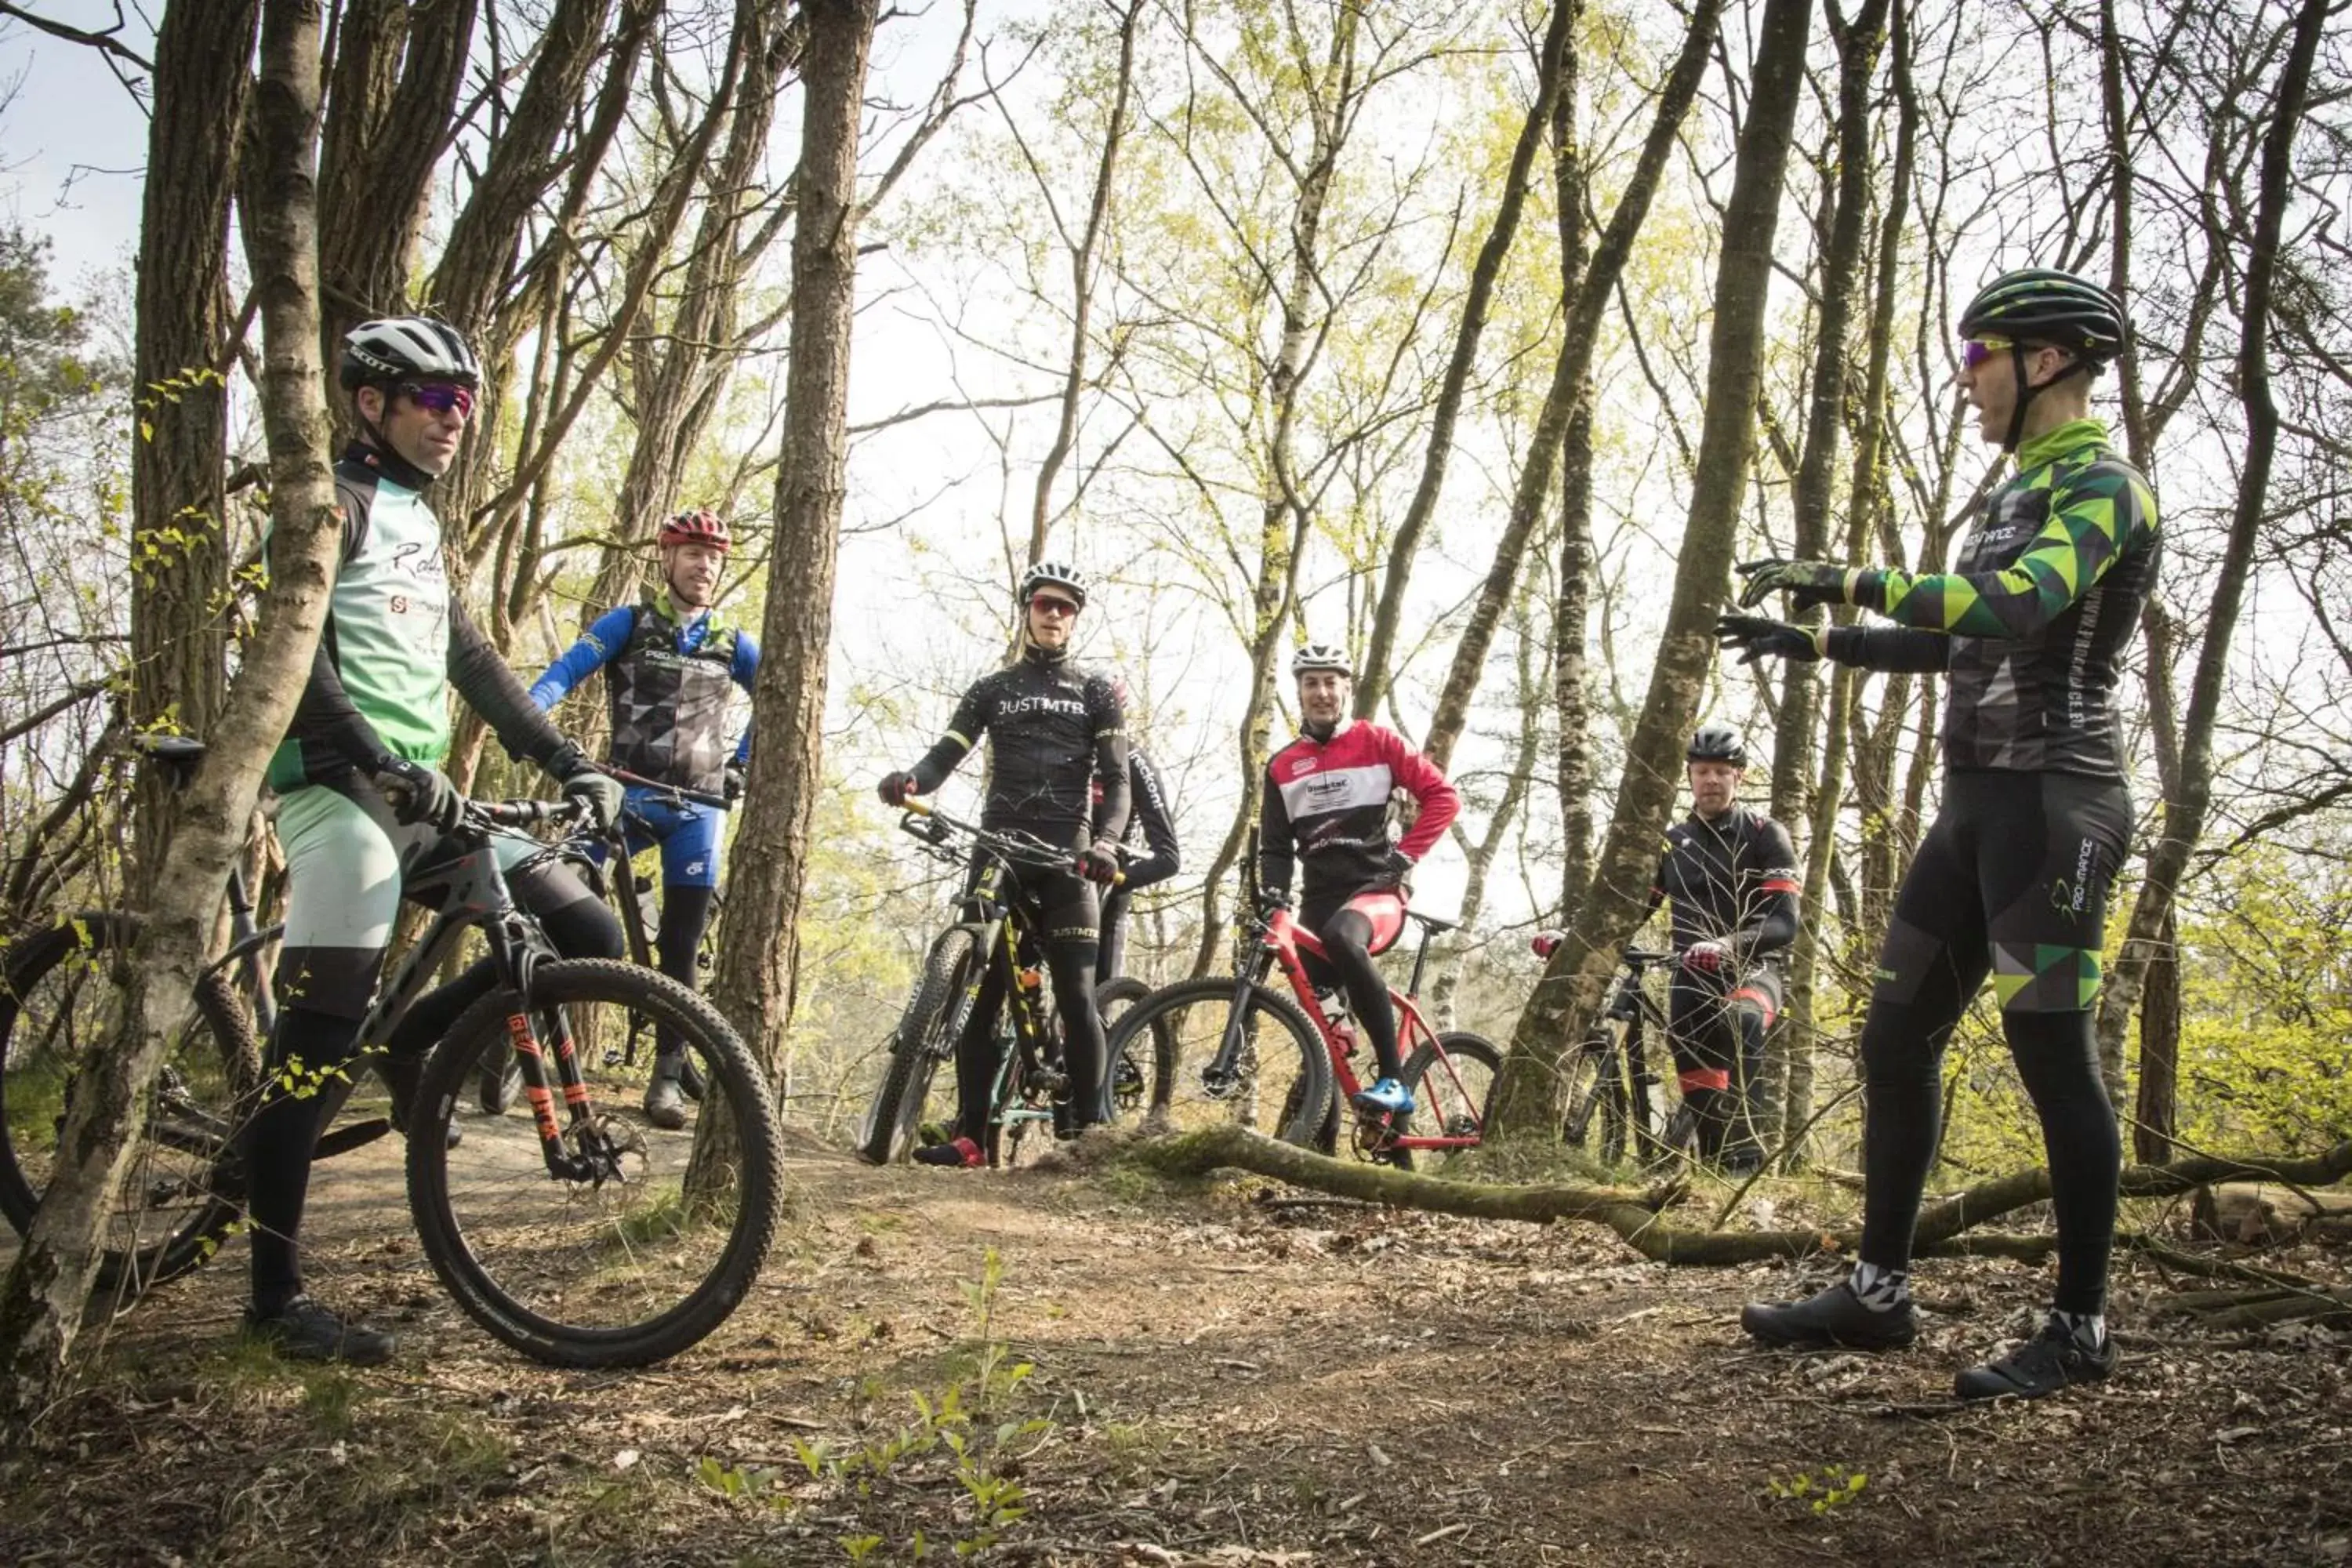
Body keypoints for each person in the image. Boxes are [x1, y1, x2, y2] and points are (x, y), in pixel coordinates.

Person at [1722, 268, 2158, 1400]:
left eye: (1979, 357)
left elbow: (2017, 607)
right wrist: (1815, 639)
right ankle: (1878, 1294)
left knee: (2052, 1053)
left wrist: (1855, 577)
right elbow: (1963, 639)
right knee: (1892, 1039)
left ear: (2046, 360)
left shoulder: (2106, 488)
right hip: (1974, 804)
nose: (1966, 382)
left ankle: (2081, 1328)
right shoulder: (2013, 498)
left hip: (2059, 805)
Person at [243, 317, 626, 1365]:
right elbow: (299, 660)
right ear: (374, 404)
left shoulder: (417, 521)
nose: (458, 420)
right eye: (437, 400)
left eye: (466, 403)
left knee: (588, 928)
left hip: (421, 797)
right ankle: (272, 1299)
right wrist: (371, 752)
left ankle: (417, 1046)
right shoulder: (334, 511)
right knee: (316, 1048)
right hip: (333, 789)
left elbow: (472, 660)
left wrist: (566, 762)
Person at [877, 561, 1130, 1168]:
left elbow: (1117, 781)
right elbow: (945, 755)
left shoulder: (1096, 691)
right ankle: (970, 1135)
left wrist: (1107, 844)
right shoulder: (993, 689)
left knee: (1075, 994)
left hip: (1069, 853)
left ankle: (1088, 1138)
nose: (1054, 615)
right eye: (1045, 604)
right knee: (982, 990)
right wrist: (912, 780)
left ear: (1076, 619)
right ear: (1027, 609)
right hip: (999, 848)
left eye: (1066, 607)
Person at [528, 506, 759, 1127]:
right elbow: (565, 672)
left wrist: (741, 762)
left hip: (699, 808)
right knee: (560, 910)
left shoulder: (732, 641)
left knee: (680, 948)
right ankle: (507, 1048)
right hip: (622, 796)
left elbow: (781, 695)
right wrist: (525, 715)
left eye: (713, 558)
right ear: (666, 558)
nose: (703, 566)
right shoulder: (628, 622)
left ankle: (666, 1080)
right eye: (692, 554)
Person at [1258, 644, 1460, 1116]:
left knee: (1342, 938)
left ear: (1347, 689)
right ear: (1300, 692)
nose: (1322, 693)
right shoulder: (1283, 766)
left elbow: (1444, 798)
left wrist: (1404, 859)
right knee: (1323, 1035)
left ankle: (1394, 1077)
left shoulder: (1377, 742)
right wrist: (1273, 898)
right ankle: (1332, 1146)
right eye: (1312, 683)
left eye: (1331, 682)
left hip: (1377, 893)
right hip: (1317, 900)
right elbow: (1273, 848)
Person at [1649, 723, 1798, 1173]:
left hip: (1755, 971)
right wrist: (1571, 936)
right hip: (1691, 977)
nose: (1711, 780)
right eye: (1702, 771)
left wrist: (1727, 944)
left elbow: (1783, 922)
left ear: (1740, 778)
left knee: (1740, 1022)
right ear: (1689, 777)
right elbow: (1631, 910)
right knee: (1693, 1064)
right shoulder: (1673, 844)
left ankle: (1749, 1159)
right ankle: (1715, 1167)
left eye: (1721, 771)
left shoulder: (1764, 834)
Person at [1096, 742, 1181, 983]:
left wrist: (1116, 878)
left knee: (1098, 1002)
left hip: (1106, 890)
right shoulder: (1061, 745)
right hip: (1052, 882)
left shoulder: (1133, 759)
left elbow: (1168, 858)